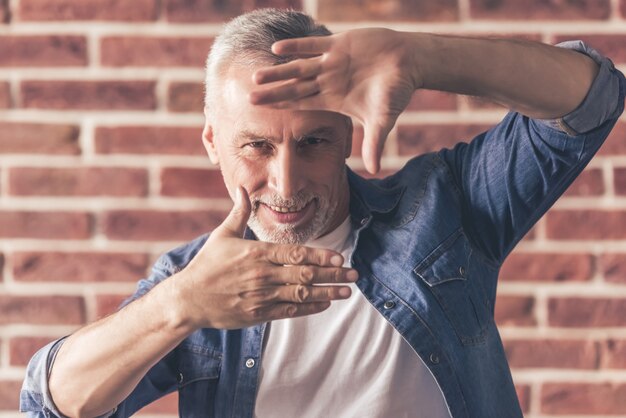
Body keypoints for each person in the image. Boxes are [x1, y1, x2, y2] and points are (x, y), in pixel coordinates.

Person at [20, 8, 624, 418]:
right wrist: (178, 306)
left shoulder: (443, 209)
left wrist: (419, 56)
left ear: (347, 132)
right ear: (212, 143)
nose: (286, 184)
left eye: (313, 143)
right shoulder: (193, 281)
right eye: (256, 146)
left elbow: (591, 100)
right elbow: (47, 404)